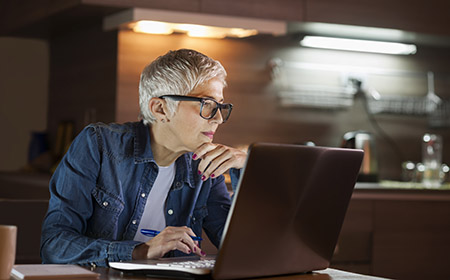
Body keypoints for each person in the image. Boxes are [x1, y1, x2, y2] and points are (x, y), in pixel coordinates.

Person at [40, 49, 247, 267]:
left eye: (221, 106)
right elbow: (55, 246)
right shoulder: (99, 145)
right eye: (207, 105)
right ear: (160, 108)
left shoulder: (205, 165)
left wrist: (245, 170)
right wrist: (139, 252)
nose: (219, 119)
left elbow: (244, 249)